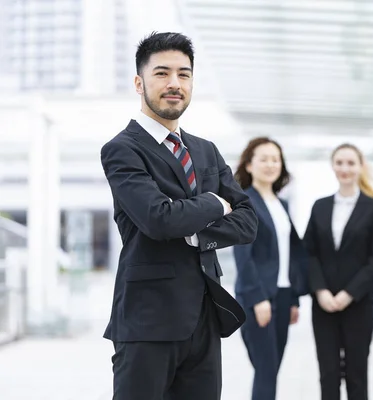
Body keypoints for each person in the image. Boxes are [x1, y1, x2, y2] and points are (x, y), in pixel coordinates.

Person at [99, 32, 258, 400]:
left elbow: (249, 220)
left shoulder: (206, 150)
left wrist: (196, 232)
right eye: (162, 73)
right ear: (139, 83)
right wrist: (217, 203)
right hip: (147, 320)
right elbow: (158, 219)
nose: (175, 83)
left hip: (204, 315)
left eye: (184, 74)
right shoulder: (122, 150)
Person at [303, 143, 373, 400]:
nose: (345, 168)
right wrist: (320, 291)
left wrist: (349, 293)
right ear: (332, 166)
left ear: (361, 166)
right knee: (328, 373)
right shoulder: (320, 206)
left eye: (351, 163)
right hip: (324, 304)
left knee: (356, 373)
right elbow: (309, 253)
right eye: (339, 162)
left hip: (359, 304)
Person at [232, 137, 308, 400]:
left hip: (284, 296)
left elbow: (290, 256)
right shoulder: (243, 202)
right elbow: (243, 256)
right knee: (265, 370)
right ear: (249, 165)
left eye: (275, 159)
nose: (270, 164)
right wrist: (258, 298)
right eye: (263, 159)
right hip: (258, 297)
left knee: (271, 370)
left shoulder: (282, 204)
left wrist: (295, 298)